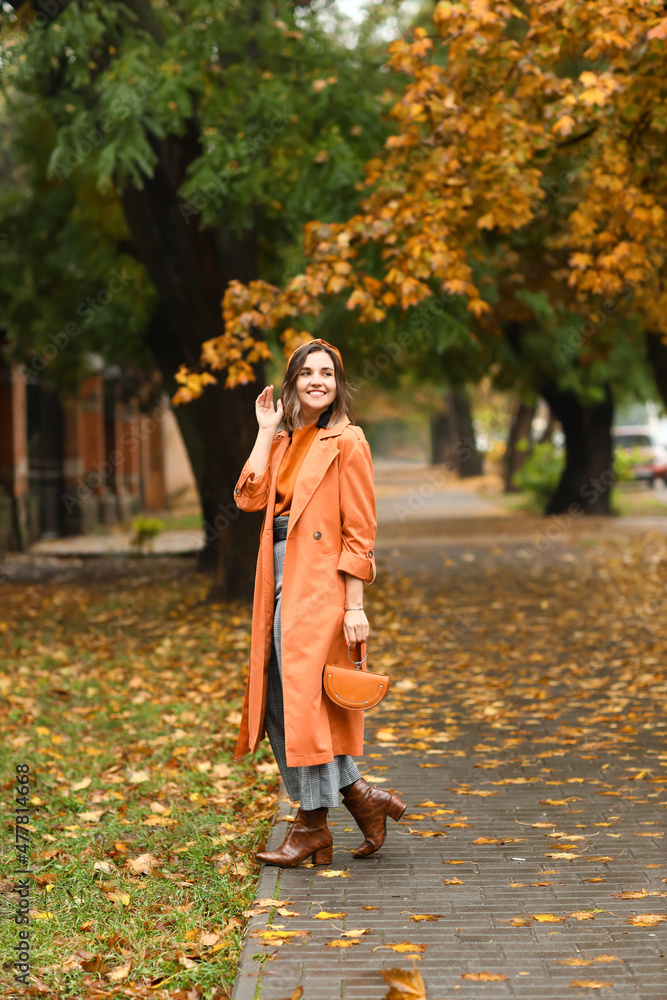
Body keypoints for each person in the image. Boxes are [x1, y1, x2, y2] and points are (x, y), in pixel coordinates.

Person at [233, 338, 406, 867]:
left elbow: (360, 531)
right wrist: (264, 432)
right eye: (306, 373)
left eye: (326, 374)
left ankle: (311, 826)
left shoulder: (347, 441)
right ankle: (360, 797)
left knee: (301, 703)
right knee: (281, 701)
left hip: (321, 587)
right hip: (279, 577)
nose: (316, 381)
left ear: (338, 384)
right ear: (291, 383)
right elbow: (248, 497)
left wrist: (355, 606)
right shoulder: (283, 440)